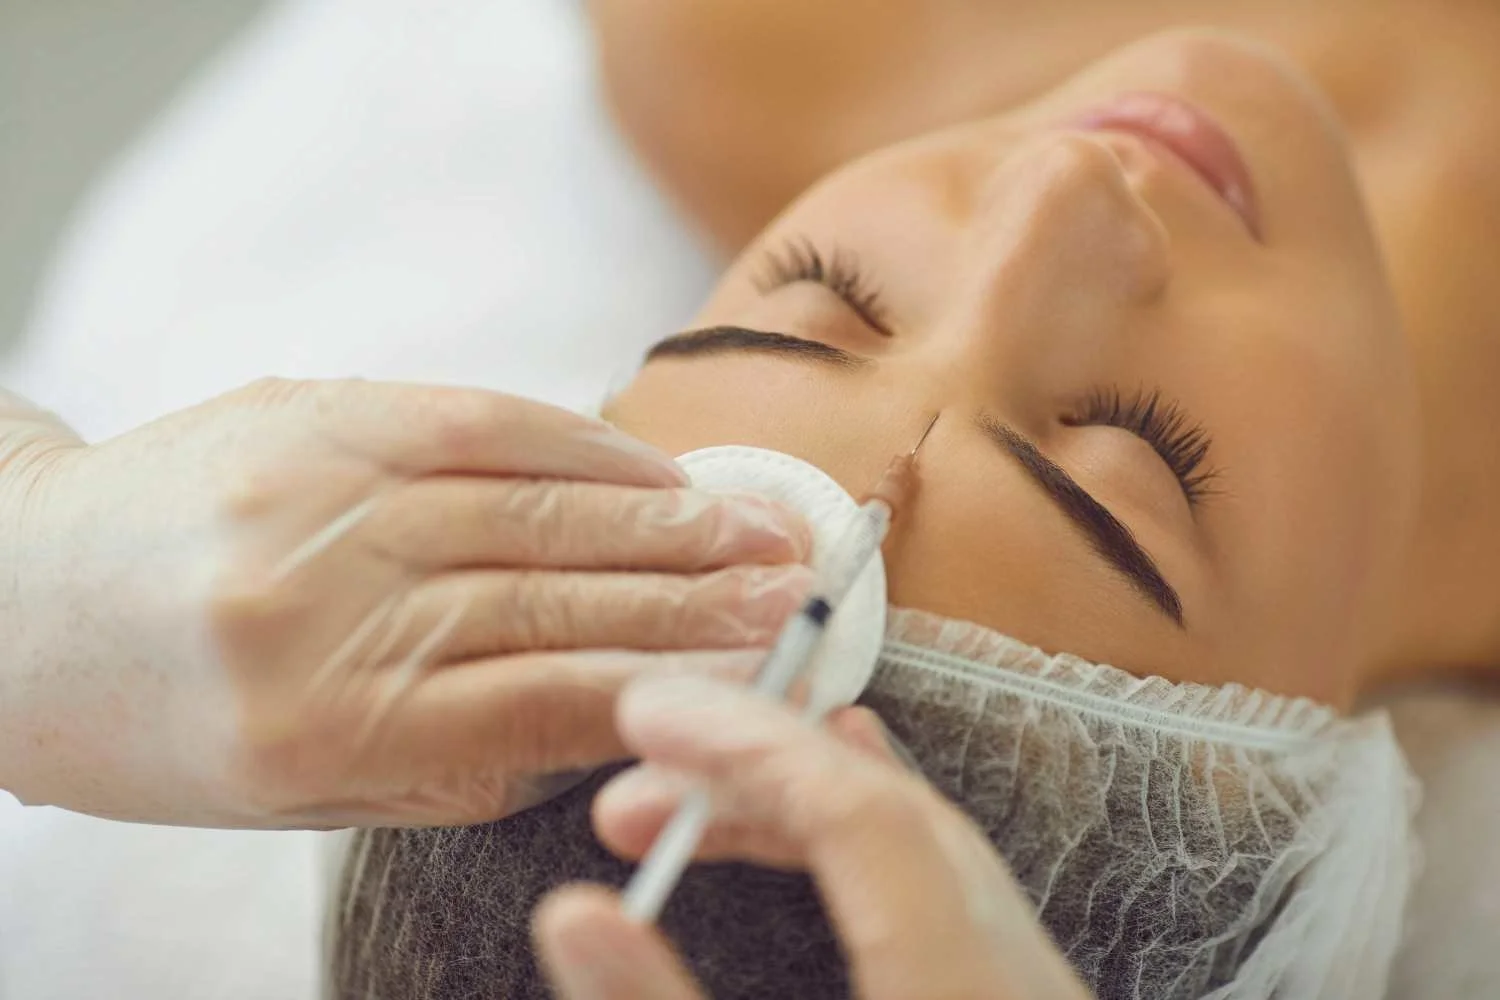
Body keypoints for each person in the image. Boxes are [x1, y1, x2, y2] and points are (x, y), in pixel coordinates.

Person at [329, 26, 1441, 1000]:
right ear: (1313, 832)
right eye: (1137, 454)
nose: (1062, 184)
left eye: (827, 292)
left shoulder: (734, 44)